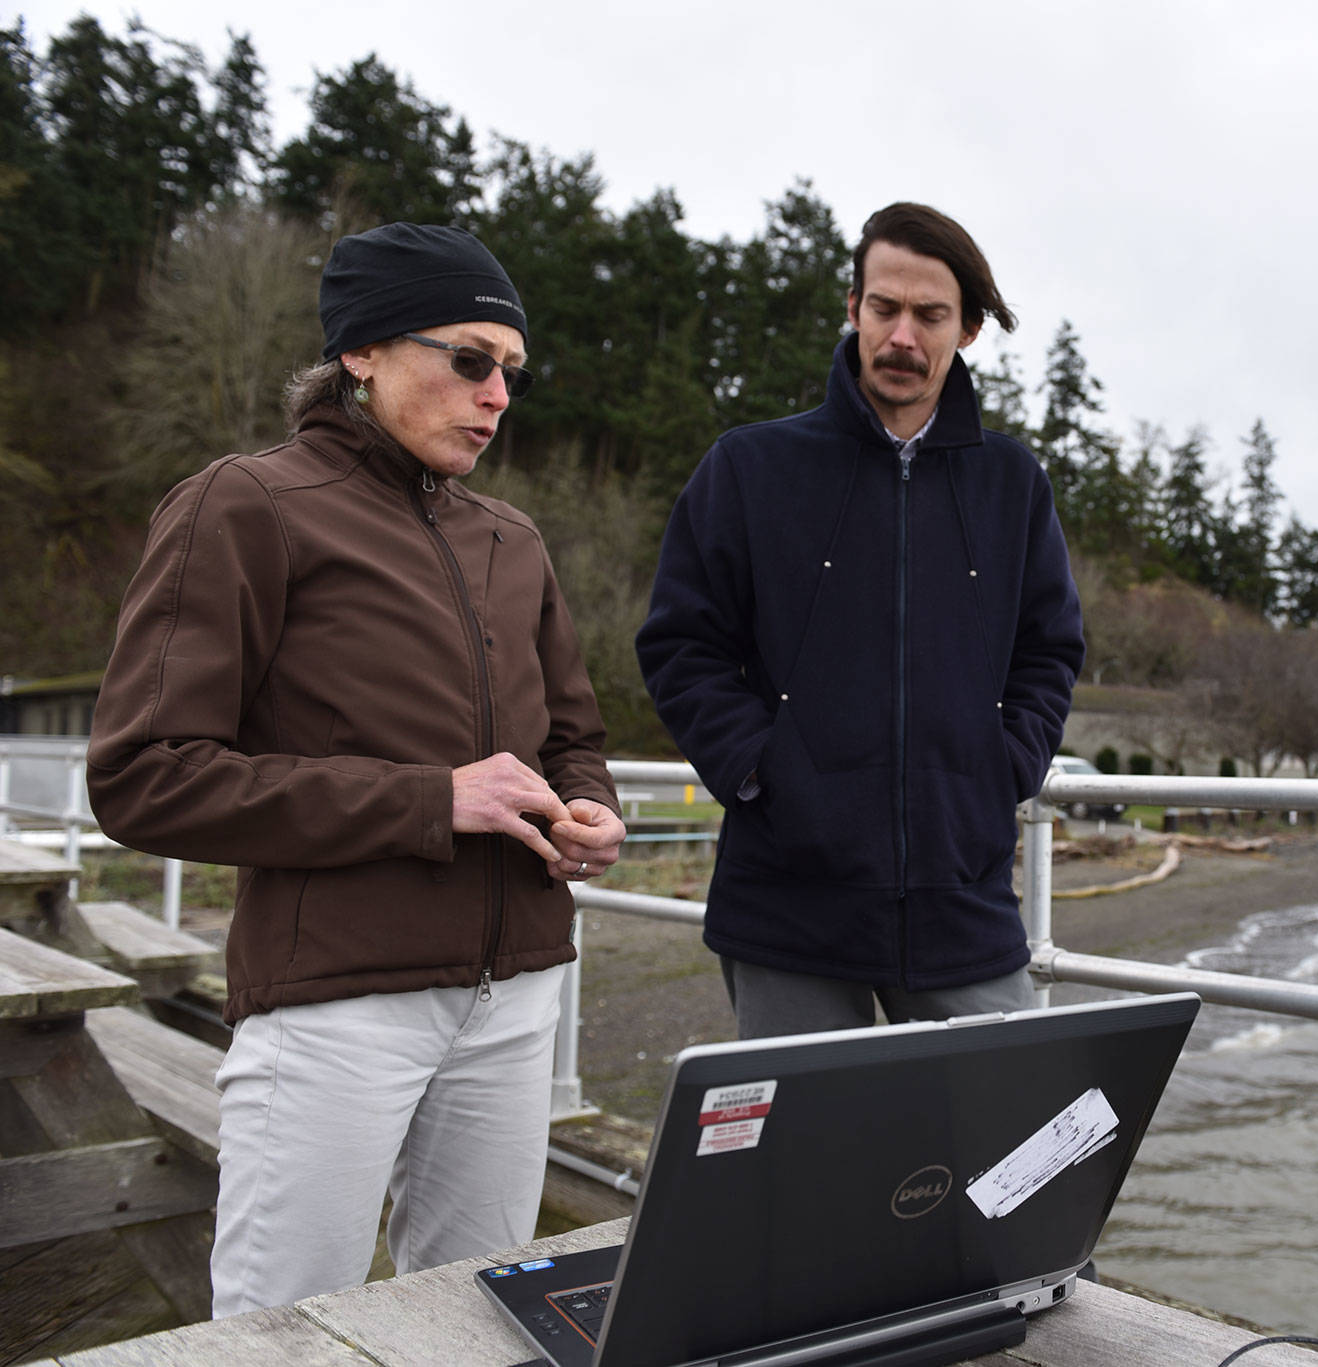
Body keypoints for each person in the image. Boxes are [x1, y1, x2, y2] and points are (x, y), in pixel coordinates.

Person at [87, 222, 626, 1316]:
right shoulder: (245, 503)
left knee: (485, 1318)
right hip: (336, 1000)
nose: (496, 395)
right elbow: (145, 772)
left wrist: (590, 806)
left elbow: (571, 733)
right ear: (363, 352)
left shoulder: (512, 540)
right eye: (468, 358)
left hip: (518, 992)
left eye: (512, 372)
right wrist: (433, 799)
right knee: (280, 1328)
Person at [636, 202, 1085, 1039]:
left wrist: (1005, 768)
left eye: (930, 315)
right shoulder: (749, 466)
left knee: (1011, 1120)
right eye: (885, 308)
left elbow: (1049, 649)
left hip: (963, 902)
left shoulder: (1013, 483)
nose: (902, 336)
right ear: (853, 308)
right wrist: (760, 769)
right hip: (787, 905)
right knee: (809, 1130)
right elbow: (681, 644)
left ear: (969, 329)